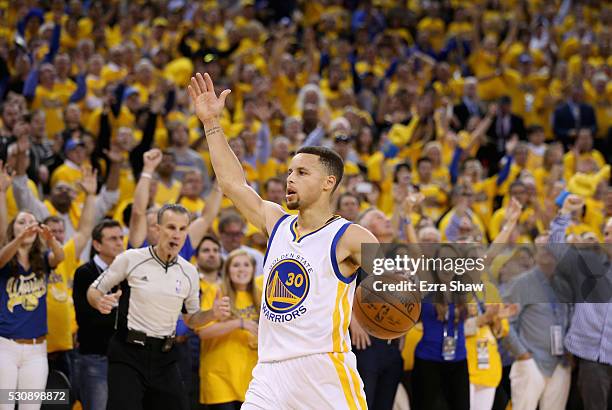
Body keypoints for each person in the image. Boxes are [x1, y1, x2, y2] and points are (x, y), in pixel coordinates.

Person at [188, 72, 378, 409]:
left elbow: (403, 275)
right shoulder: (276, 221)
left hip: (324, 368)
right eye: (289, 172)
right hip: (270, 372)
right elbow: (233, 185)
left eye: (302, 173)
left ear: (328, 183)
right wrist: (212, 122)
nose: (290, 179)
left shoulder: (348, 235)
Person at [86, 204, 231, 410]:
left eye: (182, 229)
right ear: (158, 229)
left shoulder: (189, 272)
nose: (177, 234)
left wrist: (212, 314)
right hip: (128, 353)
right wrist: (98, 301)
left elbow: (191, 319)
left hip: (166, 356)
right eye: (171, 227)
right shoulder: (131, 259)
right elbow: (94, 290)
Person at [0, 211, 65, 410]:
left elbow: (60, 256)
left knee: (31, 406)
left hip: (37, 350)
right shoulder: (6, 258)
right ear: (13, 229)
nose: (28, 226)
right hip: (5, 347)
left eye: (32, 223)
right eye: (22, 222)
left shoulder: (43, 259)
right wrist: (19, 239)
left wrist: (51, 239)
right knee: (5, 405)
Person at [197, 249, 260, 409]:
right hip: (219, 379)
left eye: (246, 265)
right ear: (227, 270)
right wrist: (240, 323)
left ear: (253, 269)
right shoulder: (216, 291)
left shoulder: (259, 295)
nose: (241, 269)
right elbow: (203, 332)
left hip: (250, 379)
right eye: (236, 265)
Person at [73, 219, 125, 410]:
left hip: (125, 358)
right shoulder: (84, 273)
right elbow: (87, 319)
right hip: (96, 357)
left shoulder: (128, 273)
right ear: (97, 244)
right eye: (113, 239)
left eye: (121, 237)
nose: (120, 243)